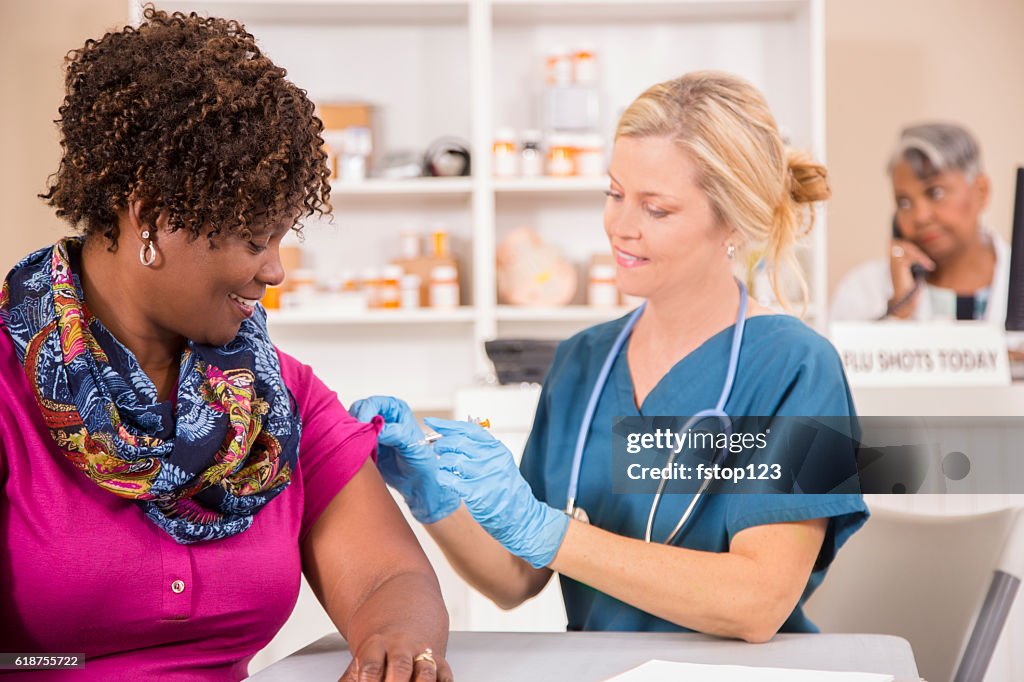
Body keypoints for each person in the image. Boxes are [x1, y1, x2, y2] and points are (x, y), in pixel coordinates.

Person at [0, 9, 451, 681]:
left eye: (282, 238)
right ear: (151, 217)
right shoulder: (11, 394)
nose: (275, 270)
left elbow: (390, 578)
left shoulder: (277, 396)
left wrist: (395, 647)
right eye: (253, 239)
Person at [353, 71, 868, 640]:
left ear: (730, 220)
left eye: (657, 209)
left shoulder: (797, 368)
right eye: (615, 194)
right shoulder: (583, 363)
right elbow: (515, 578)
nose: (621, 228)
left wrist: (550, 532)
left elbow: (758, 602)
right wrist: (435, 497)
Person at [831, 123, 1008, 321]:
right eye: (904, 203)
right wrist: (898, 312)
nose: (920, 217)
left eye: (936, 193)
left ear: (981, 191)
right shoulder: (862, 290)